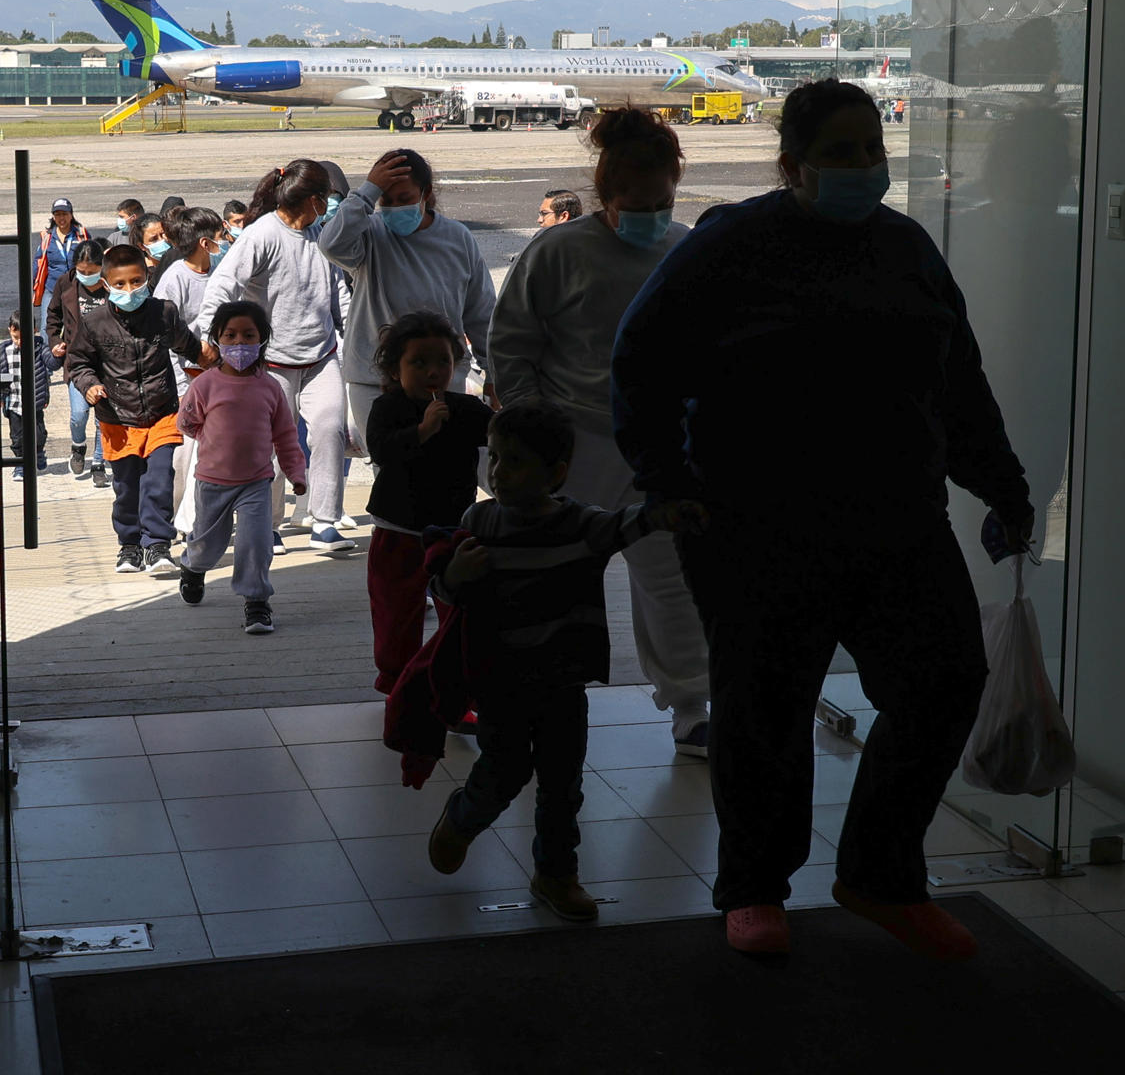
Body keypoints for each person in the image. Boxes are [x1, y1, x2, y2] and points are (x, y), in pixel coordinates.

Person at [611, 78, 1034, 960]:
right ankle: (755, 888)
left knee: (946, 682)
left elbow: (958, 382)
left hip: (898, 519)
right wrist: (665, 480)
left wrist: (1002, 483)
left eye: (869, 150)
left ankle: (880, 876)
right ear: (792, 164)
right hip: (758, 523)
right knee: (765, 708)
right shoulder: (736, 244)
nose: (860, 167)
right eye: (838, 153)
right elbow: (642, 361)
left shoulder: (906, 247)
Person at [424, 402, 704, 922]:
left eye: (516, 462)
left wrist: (670, 511)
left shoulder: (581, 525)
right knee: (503, 770)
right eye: (497, 459)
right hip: (500, 681)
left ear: (555, 474)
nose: (500, 473)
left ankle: (556, 873)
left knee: (562, 783)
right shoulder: (479, 520)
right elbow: (443, 587)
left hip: (562, 682)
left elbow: (631, 523)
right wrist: (456, 576)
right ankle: (463, 817)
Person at [491, 108, 712, 758]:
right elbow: (512, 344)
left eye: (662, 203)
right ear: (602, 196)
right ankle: (533, 696)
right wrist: (535, 426)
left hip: (659, 444)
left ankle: (692, 706)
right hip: (572, 443)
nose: (648, 215)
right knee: (550, 578)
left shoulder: (683, 247)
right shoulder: (559, 250)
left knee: (670, 578)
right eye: (632, 205)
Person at [195, 159, 356, 553]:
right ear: (314, 200)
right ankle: (267, 526)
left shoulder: (321, 233)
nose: (328, 207)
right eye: (326, 200)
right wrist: (207, 336)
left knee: (330, 430)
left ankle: (324, 520)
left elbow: (339, 292)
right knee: (267, 444)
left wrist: (354, 332)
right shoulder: (262, 234)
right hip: (270, 363)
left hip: (321, 356)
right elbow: (224, 284)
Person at [315, 148, 497, 460]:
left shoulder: (457, 238)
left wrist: (493, 372)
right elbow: (330, 244)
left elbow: (481, 312)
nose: (395, 208)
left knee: (446, 467)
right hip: (374, 381)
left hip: (441, 379)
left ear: (426, 194)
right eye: (387, 200)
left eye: (404, 199)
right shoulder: (370, 233)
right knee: (390, 470)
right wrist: (367, 192)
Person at [363, 311, 494, 694]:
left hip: (454, 529)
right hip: (399, 529)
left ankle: (452, 686)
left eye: (442, 361)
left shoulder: (466, 410)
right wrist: (422, 431)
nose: (432, 371)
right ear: (394, 368)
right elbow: (382, 451)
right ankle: (398, 684)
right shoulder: (387, 409)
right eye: (418, 363)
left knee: (459, 612)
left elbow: (503, 432)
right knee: (396, 612)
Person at [66, 243, 213, 575]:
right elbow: (78, 363)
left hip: (162, 413)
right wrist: (90, 385)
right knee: (127, 485)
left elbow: (190, 348)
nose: (129, 290)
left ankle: (158, 544)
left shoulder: (164, 313)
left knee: (160, 480)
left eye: (135, 282)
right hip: (117, 417)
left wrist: (216, 360)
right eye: (119, 284)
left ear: (147, 277)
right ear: (105, 284)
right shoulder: (95, 322)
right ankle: (129, 545)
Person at [177, 300, 308, 635]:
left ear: (262, 340)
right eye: (230, 335)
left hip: (256, 483)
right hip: (212, 482)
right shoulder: (204, 385)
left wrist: (295, 473)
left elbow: (286, 435)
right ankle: (193, 568)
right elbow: (187, 422)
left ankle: (257, 602)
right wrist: (211, 439)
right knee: (208, 545)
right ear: (217, 339)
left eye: (248, 335)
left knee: (255, 544)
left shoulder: (271, 388)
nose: (239, 343)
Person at [156, 207, 227, 542]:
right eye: (220, 237)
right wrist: (182, 387)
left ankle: (202, 520)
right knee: (183, 458)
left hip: (223, 379)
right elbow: (163, 339)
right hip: (188, 381)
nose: (226, 242)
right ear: (204, 242)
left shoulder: (225, 272)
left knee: (216, 455)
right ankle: (173, 522)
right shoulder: (174, 280)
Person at [45, 238, 111, 488]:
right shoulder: (66, 283)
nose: (87, 276)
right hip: (77, 361)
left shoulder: (110, 284)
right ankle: (78, 445)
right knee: (79, 415)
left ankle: (98, 464)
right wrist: (54, 341)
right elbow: (52, 317)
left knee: (102, 419)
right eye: (82, 272)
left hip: (107, 363)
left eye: (92, 272)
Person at [1, 311, 53, 481]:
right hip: (14, 402)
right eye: (16, 337)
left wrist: (58, 354)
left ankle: (38, 453)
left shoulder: (39, 347)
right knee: (17, 436)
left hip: (34, 401)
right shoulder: (4, 350)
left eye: (24, 337)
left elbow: (52, 363)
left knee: (39, 433)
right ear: (10, 330)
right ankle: (20, 463)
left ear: (35, 330)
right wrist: (0, 396)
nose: (19, 341)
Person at [32, 198, 89, 339]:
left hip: (77, 288)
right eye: (57, 214)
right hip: (52, 288)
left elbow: (92, 257)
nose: (61, 218)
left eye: (64, 214)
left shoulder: (81, 235)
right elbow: (38, 262)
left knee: (79, 325)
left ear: (71, 214)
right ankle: (49, 357)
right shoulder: (47, 237)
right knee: (47, 326)